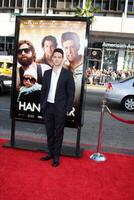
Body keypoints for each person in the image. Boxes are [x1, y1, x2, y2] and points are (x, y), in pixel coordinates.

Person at [40, 48, 75, 167]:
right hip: (48, 107)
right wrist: (42, 105)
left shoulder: (67, 74)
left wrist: (68, 108)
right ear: (52, 58)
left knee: (58, 133)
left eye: (59, 57)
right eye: (55, 57)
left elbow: (71, 92)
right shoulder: (47, 73)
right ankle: (50, 152)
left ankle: (56, 157)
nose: (57, 59)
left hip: (60, 108)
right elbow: (43, 91)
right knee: (49, 132)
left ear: (62, 59)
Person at [61, 32, 83, 117]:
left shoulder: (84, 66)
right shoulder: (61, 67)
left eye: (72, 47)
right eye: (66, 48)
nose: (69, 51)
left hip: (76, 113)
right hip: (62, 111)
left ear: (78, 47)